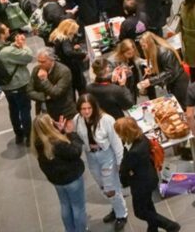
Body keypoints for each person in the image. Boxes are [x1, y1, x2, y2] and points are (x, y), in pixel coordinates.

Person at [114, 117, 181, 232]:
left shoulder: (134, 152)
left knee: (140, 212)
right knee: (148, 205)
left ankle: (170, 225)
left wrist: (125, 173)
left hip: (141, 184)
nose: (118, 136)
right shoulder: (142, 139)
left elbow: (125, 168)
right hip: (149, 177)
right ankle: (153, 228)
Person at [74, 94, 128, 229]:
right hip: (91, 157)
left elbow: (117, 143)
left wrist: (120, 162)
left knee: (111, 187)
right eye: (83, 108)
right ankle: (116, 208)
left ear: (94, 107)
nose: (86, 111)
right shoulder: (77, 120)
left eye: (89, 108)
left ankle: (122, 214)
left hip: (106, 155)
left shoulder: (106, 120)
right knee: (103, 186)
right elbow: (76, 136)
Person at [32, 113, 87, 232]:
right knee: (78, 208)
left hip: (57, 181)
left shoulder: (38, 143)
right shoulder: (57, 143)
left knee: (65, 205)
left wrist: (61, 131)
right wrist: (71, 133)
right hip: (72, 179)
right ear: (48, 126)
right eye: (51, 122)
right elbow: (75, 151)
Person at [0, 24, 34, 144]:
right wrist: (23, 45)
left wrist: (14, 46)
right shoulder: (7, 52)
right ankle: (29, 136)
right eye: (5, 29)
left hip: (5, 86)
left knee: (13, 109)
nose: (8, 29)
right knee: (24, 110)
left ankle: (18, 134)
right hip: (18, 84)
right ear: (1, 34)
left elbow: (6, 52)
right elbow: (28, 57)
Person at [29, 48, 77, 121]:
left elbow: (56, 93)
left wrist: (44, 80)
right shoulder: (36, 69)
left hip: (63, 112)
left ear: (51, 60)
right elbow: (29, 91)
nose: (39, 64)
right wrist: (44, 97)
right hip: (44, 111)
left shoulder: (64, 71)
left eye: (43, 62)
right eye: (38, 61)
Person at [87, 57, 135, 121]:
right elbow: (129, 105)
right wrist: (123, 85)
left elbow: (102, 85)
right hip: (117, 121)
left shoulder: (88, 88)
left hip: (99, 120)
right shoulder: (115, 90)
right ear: (107, 69)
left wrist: (112, 80)